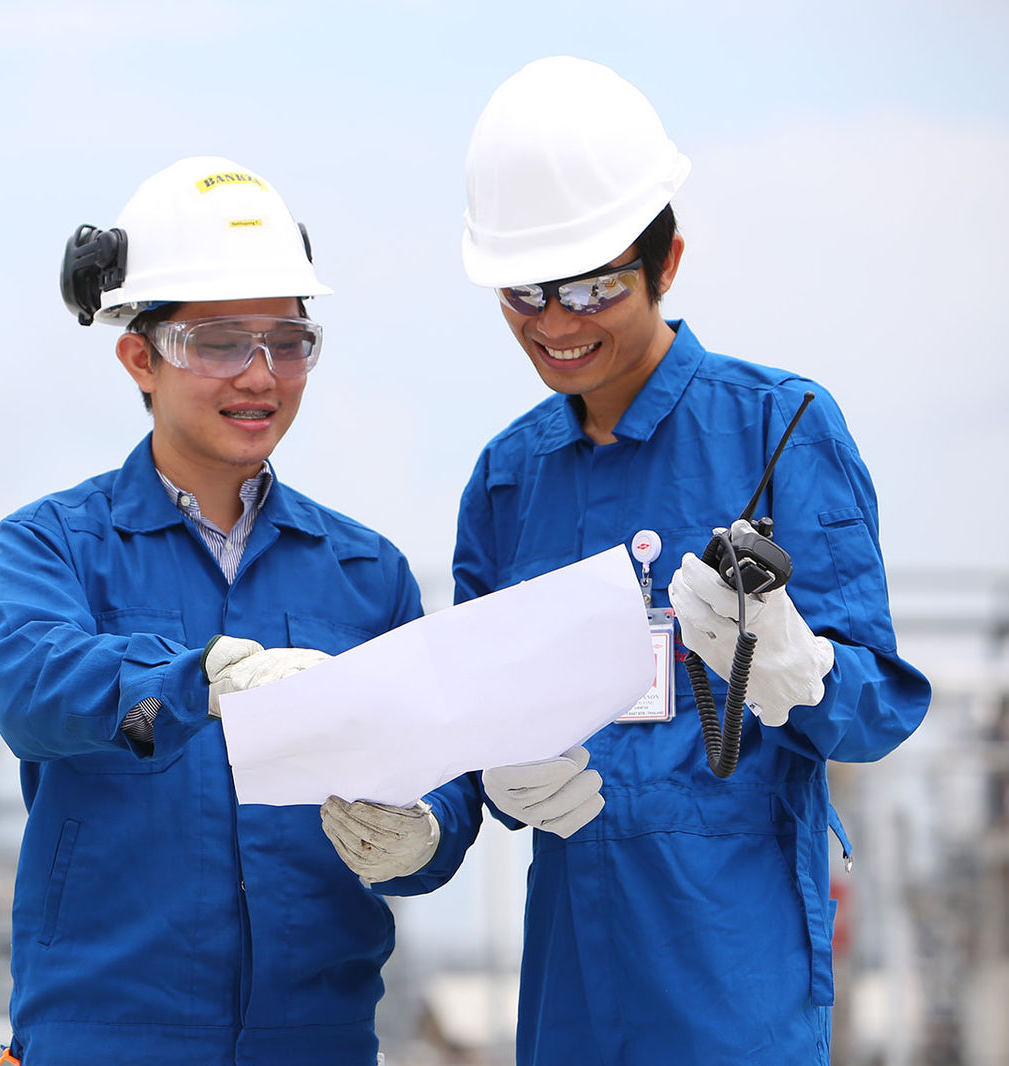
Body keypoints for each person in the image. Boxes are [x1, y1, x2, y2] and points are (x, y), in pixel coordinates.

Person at [340, 57, 932, 1064]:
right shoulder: (505, 482)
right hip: (571, 988)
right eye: (523, 292)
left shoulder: (777, 430)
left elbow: (876, 705)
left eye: (591, 286)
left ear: (668, 261)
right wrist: (442, 806)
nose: (556, 323)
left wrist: (805, 671)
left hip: (734, 985)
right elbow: (465, 728)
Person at [0, 156, 465, 1066]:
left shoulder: (367, 574)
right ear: (138, 356)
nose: (260, 375)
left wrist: (426, 833)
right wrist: (195, 679)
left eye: (286, 340)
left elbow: (441, 768)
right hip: (104, 1041)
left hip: (317, 1043)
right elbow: (34, 693)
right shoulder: (55, 548)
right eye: (218, 342)